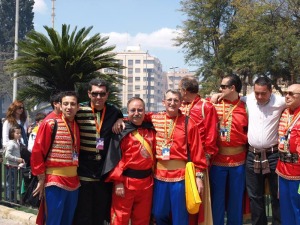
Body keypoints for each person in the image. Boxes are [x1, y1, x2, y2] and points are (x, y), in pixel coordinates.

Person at [151, 89, 207, 225]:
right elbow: (136, 116)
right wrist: (119, 120)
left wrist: (199, 177)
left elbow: (197, 151)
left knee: (180, 217)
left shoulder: (189, 122)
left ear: (181, 103)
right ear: (163, 102)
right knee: (158, 214)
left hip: (180, 178)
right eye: (169, 100)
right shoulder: (154, 118)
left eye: (176, 100)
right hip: (159, 177)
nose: (172, 103)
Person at [74, 78, 123, 225]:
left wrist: (121, 121)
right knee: (83, 211)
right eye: (95, 94)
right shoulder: (79, 109)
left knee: (101, 211)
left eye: (102, 94)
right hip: (83, 168)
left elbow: (128, 121)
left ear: (107, 95)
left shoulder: (114, 112)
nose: (98, 97)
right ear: (89, 94)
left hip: (104, 170)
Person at [103, 97, 156, 225]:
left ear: (145, 112)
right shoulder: (121, 130)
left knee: (142, 219)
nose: (136, 113)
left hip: (146, 184)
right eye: (133, 110)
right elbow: (114, 158)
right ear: (127, 111)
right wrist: (118, 182)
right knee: (120, 218)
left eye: (140, 110)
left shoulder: (151, 129)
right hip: (125, 183)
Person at [31, 91, 80, 225]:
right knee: (53, 219)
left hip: (74, 182)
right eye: (66, 104)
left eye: (72, 104)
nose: (69, 107)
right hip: (54, 180)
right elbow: (37, 151)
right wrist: (41, 178)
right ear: (60, 105)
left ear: (78, 107)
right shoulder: (50, 124)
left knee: (68, 220)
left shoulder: (76, 125)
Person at [178, 76, 218, 225]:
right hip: (181, 158)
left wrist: (206, 156)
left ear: (184, 90)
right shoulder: (179, 105)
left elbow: (211, 134)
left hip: (198, 159)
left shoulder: (205, 106)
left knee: (198, 197)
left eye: (179, 89)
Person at [245, 77, 284, 225]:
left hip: (274, 155)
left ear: (271, 90)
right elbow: (233, 96)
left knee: (277, 195)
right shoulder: (249, 99)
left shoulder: (280, 102)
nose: (259, 97)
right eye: (257, 93)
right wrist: (218, 95)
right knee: (255, 196)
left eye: (263, 93)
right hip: (252, 155)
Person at [210, 75, 248, 225]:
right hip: (218, 161)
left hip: (239, 162)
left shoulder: (246, 106)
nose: (220, 89)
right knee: (217, 200)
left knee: (236, 200)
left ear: (233, 88)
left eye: (223, 86)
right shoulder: (213, 104)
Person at [276, 84, 300, 225]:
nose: (287, 96)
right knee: (285, 209)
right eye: (286, 93)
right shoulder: (285, 112)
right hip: (282, 169)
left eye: (291, 93)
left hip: (298, 171)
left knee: (297, 208)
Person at [4, 125, 25, 200]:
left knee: (13, 184)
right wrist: (17, 159)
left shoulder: (16, 143)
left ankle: (12, 199)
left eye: (20, 133)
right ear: (12, 134)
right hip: (11, 167)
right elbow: (7, 155)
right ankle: (9, 199)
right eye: (17, 133)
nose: (19, 134)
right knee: (10, 184)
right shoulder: (11, 143)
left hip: (14, 167)